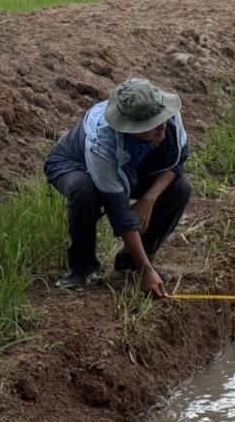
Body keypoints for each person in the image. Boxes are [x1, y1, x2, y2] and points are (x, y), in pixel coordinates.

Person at [45, 79, 192, 298]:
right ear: (130, 127)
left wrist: (149, 198)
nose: (162, 128)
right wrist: (148, 271)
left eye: (161, 120)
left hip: (133, 168)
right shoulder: (102, 142)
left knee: (181, 188)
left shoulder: (167, 115)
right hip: (76, 165)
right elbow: (120, 213)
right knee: (84, 191)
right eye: (151, 126)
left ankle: (129, 265)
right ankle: (82, 268)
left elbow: (176, 163)